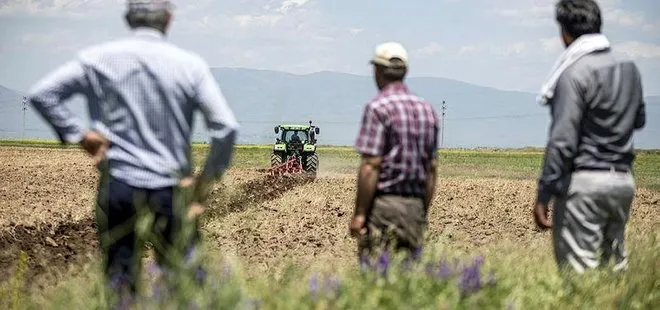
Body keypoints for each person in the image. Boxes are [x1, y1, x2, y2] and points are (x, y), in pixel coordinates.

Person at [27, 0, 239, 306]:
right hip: (170, 190)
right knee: (186, 280)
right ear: (168, 18)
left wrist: (82, 136)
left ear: (128, 18)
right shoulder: (189, 66)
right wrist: (204, 183)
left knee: (121, 281)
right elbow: (226, 126)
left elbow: (42, 94)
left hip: (119, 187)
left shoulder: (98, 59)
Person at [533, 0, 646, 275]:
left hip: (585, 184)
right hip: (622, 181)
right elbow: (639, 119)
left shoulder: (574, 73)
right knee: (615, 270)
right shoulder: (629, 67)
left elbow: (563, 139)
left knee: (580, 275)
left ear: (565, 32)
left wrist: (544, 193)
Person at [350, 42, 439, 268]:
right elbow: (431, 169)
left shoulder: (377, 107)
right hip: (414, 209)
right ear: (406, 72)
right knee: (409, 280)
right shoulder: (426, 110)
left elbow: (371, 165)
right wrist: (421, 210)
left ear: (377, 71)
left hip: (383, 208)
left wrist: (360, 214)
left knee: (376, 279)